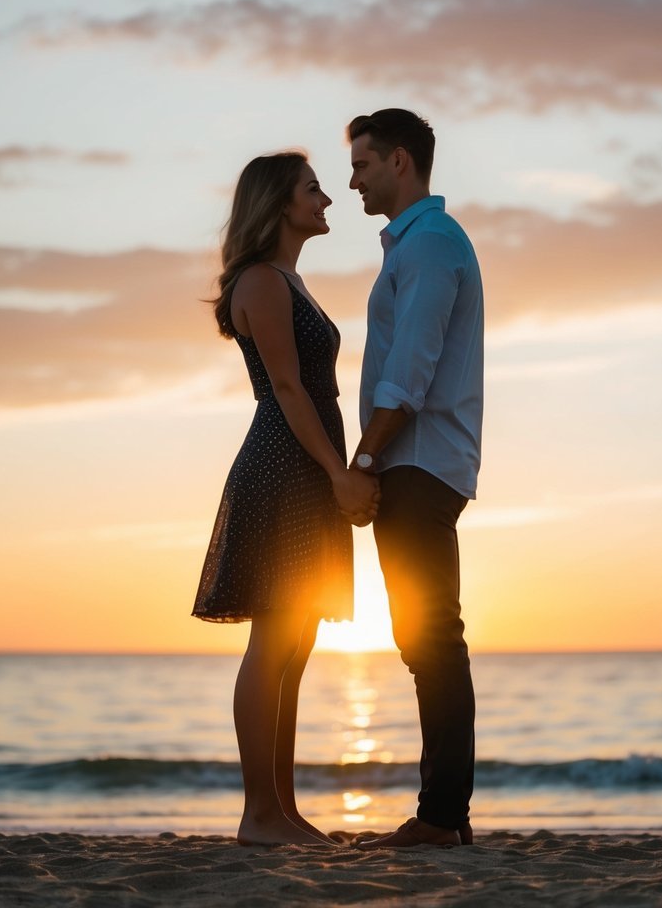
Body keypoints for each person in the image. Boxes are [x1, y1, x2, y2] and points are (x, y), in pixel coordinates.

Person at [192, 151, 379, 846]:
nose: (327, 199)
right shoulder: (263, 282)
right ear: (277, 204)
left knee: (295, 643)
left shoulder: (288, 280)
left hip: (303, 464)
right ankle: (257, 814)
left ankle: (283, 810)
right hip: (283, 464)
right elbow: (290, 389)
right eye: (312, 190)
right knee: (272, 639)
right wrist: (338, 471)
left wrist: (332, 469)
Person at [342, 109, 484, 848]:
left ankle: (441, 817)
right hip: (419, 461)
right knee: (423, 639)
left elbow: (411, 371)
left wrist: (365, 458)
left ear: (400, 162)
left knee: (431, 639)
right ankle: (444, 815)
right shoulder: (418, 245)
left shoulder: (428, 245)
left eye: (362, 165)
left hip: (418, 462)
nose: (352, 180)